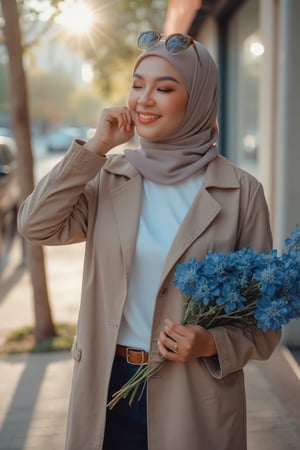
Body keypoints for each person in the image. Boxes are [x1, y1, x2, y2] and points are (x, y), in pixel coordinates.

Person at [18, 31, 281, 450]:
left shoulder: (239, 190)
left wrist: (212, 342)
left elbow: (266, 321)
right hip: (107, 387)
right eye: (138, 84)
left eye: (164, 87)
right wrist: (97, 146)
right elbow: (36, 225)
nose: (144, 99)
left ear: (196, 99)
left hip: (193, 397)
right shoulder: (110, 175)